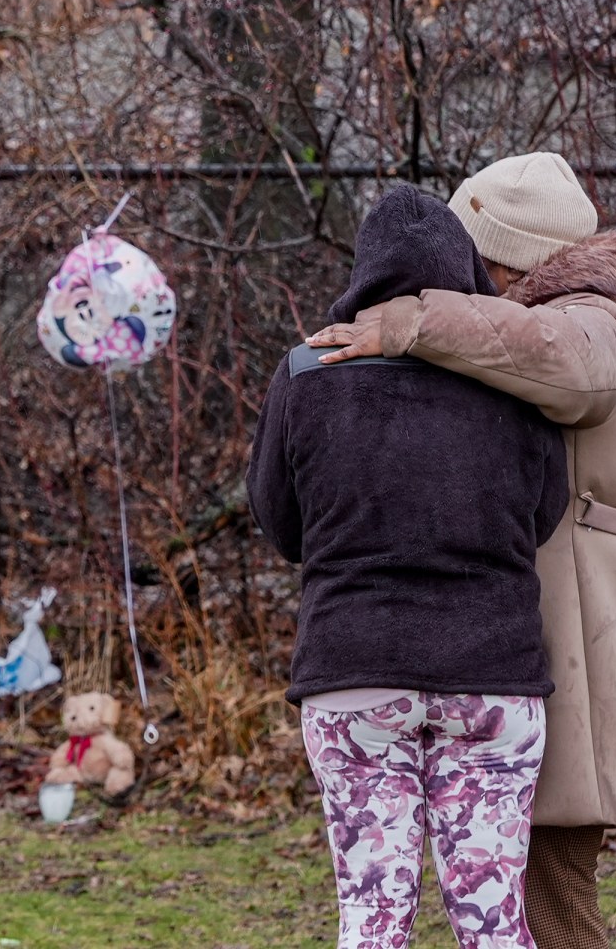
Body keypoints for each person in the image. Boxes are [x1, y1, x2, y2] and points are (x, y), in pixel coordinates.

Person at [307, 152, 616, 949]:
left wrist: (416, 319)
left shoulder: (595, 320)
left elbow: (565, 362)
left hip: (577, 624)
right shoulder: (567, 320)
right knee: (525, 892)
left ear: (507, 258)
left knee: (547, 893)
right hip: (548, 625)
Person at [248, 184, 568, 947]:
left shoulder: (305, 371)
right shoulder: (508, 378)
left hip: (355, 672)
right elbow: (544, 514)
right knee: (493, 919)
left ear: (363, 272)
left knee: (373, 915)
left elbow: (279, 520)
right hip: (493, 674)